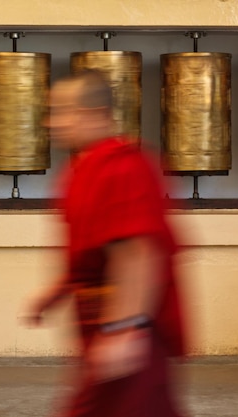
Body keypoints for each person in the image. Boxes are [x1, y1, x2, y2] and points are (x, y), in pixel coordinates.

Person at [23, 70, 188, 416]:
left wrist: (124, 330)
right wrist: (58, 291)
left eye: (61, 111)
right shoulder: (84, 167)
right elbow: (90, 248)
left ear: (94, 113)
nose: (51, 122)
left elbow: (137, 254)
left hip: (125, 324)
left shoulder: (124, 166)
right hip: (100, 324)